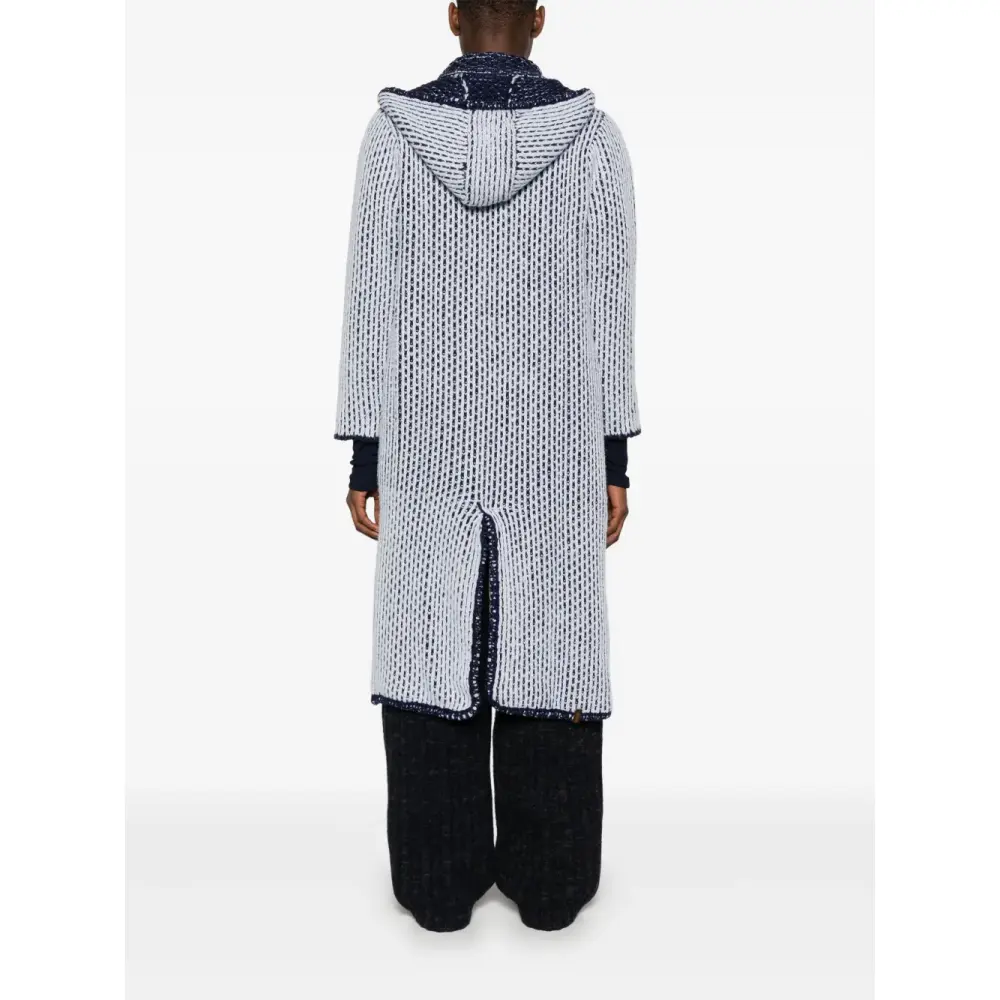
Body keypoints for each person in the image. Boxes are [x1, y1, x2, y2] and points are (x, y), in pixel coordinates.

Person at [335, 0, 639, 932]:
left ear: (453, 16)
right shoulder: (594, 144)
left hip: (425, 443)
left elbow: (370, 300)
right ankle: (552, 883)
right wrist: (613, 458)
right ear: (539, 20)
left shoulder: (393, 142)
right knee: (552, 633)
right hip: (558, 448)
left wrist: (367, 454)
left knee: (430, 629)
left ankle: (438, 883)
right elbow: (611, 310)